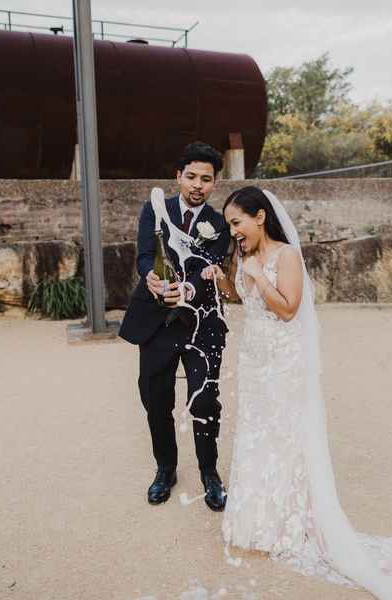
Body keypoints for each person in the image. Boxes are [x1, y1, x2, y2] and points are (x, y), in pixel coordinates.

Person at [201, 186, 392, 599]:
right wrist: (224, 281)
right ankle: (258, 519)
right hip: (255, 363)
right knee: (257, 436)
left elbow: (287, 308)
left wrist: (254, 277)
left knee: (286, 438)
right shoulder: (244, 258)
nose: (233, 231)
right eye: (230, 225)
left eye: (237, 222)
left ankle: (291, 521)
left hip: (285, 366)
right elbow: (242, 298)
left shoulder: (286, 256)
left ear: (260, 217)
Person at [119, 142, 230, 511]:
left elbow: (210, 264)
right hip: (156, 323)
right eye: (192, 177)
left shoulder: (218, 222)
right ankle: (165, 469)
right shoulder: (155, 209)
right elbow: (144, 254)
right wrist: (149, 276)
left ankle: (209, 473)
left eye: (207, 179)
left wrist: (188, 288)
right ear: (178, 176)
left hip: (200, 324)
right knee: (156, 400)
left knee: (206, 401)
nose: (198, 185)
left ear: (215, 183)